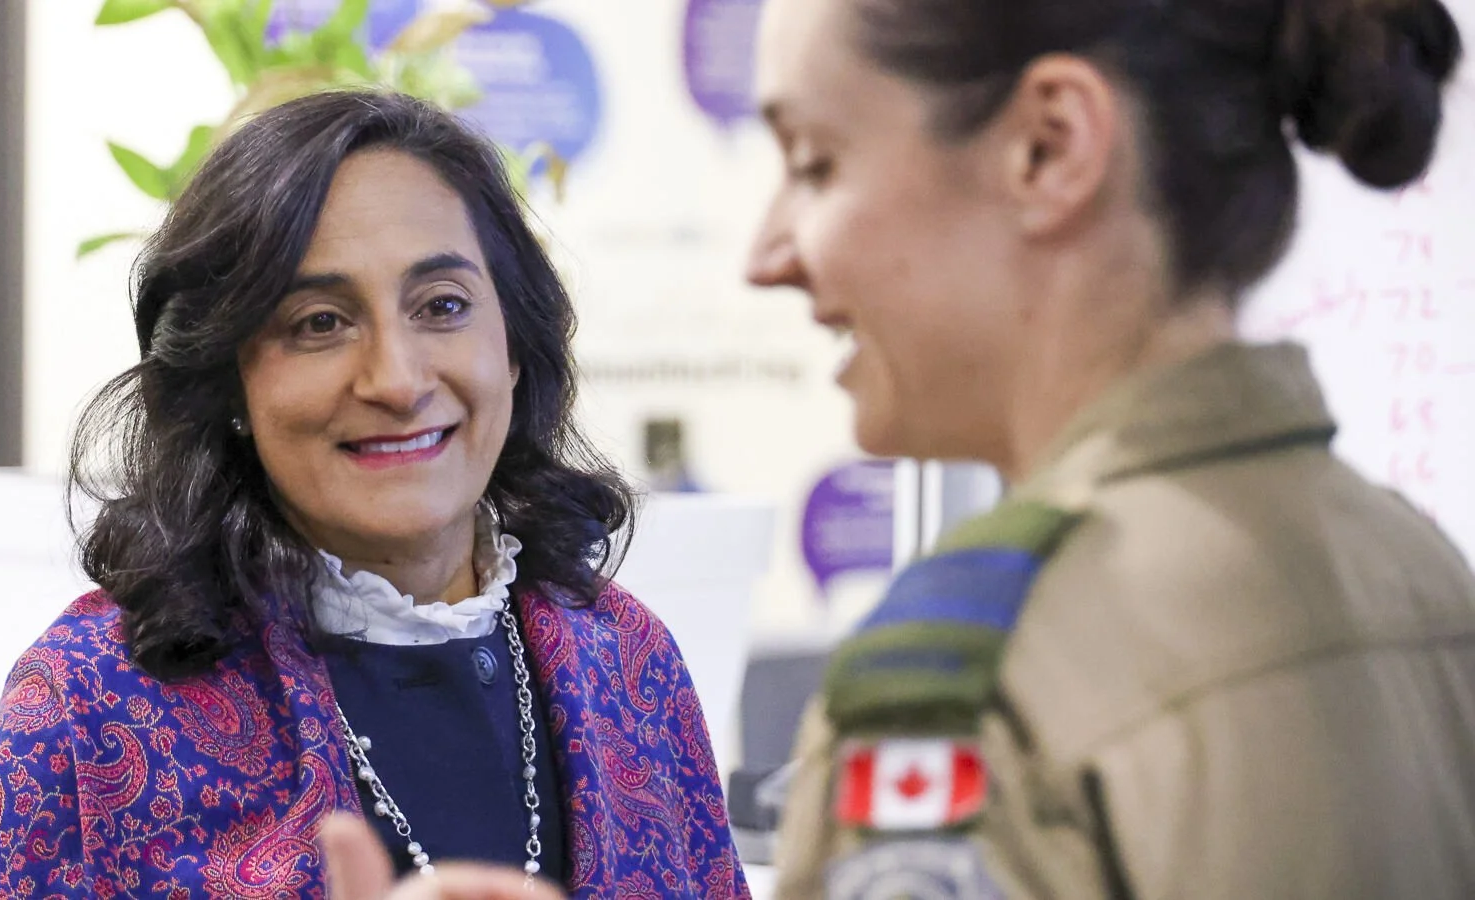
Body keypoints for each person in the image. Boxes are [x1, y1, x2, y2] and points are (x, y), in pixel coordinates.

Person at [326, 0, 1475, 896]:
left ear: (1048, 146)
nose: (768, 252)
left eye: (817, 162)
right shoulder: (1411, 566)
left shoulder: (975, 676)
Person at [0, 90, 747, 899]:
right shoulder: (90, 706)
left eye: (442, 305)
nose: (396, 379)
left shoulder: (629, 662)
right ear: (228, 383)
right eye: (319, 322)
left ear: (517, 348)